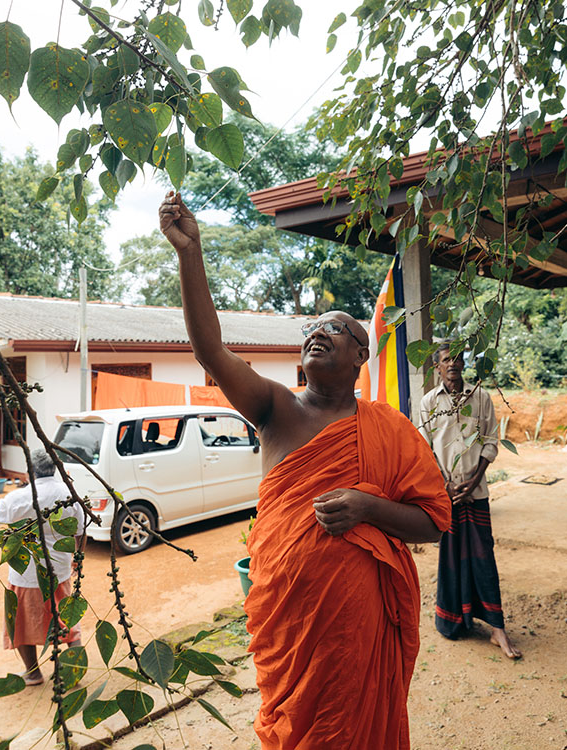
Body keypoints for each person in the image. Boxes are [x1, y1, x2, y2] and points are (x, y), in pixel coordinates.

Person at [159, 191, 451, 750]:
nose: (317, 332)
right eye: (310, 329)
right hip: (287, 619)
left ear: (363, 354)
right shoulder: (276, 408)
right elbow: (209, 351)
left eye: (335, 328)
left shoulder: (389, 428)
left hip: (357, 621)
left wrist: (367, 507)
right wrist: (189, 255)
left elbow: (433, 523)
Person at [418, 343, 521, 659]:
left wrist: (474, 480)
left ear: (464, 364)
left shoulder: (481, 397)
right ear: (437, 366)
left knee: (483, 557)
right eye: (447, 359)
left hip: (475, 493)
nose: (453, 363)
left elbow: (490, 441)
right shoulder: (428, 403)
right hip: (446, 495)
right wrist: (444, 484)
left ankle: (497, 629)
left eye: (458, 359)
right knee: (451, 559)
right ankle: (454, 621)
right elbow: (424, 448)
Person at [0, 449, 86, 685]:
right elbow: (80, 530)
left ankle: (33, 672)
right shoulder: (69, 494)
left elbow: (1, 515)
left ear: (30, 470)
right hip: (59, 570)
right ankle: (70, 675)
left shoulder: (18, 499)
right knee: (66, 621)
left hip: (26, 573)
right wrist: (77, 557)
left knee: (22, 623)